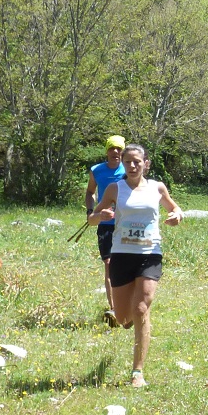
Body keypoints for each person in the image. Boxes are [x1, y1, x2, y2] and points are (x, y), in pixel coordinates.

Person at [87, 143, 182, 387]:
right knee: (122, 317)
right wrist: (101, 216)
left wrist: (176, 216)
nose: (131, 166)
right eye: (127, 161)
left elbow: (174, 208)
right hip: (121, 253)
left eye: (136, 162)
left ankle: (137, 372)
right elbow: (91, 219)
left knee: (141, 308)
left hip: (150, 253)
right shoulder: (113, 189)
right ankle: (126, 318)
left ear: (146, 164)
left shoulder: (157, 187)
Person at [85, 135, 126, 325]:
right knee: (109, 264)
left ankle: (126, 305)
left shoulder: (130, 169)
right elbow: (90, 191)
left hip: (126, 224)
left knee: (126, 265)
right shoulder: (97, 170)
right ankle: (114, 309)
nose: (115, 152)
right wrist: (91, 211)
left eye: (119, 149)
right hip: (105, 224)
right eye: (112, 148)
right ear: (107, 151)